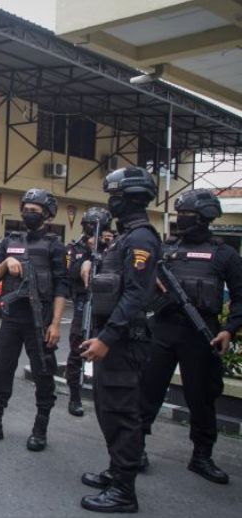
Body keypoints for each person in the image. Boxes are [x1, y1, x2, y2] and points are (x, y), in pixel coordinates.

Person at [140, 189, 242, 485]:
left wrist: (228, 329)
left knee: (202, 397)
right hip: (162, 329)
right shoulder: (165, 249)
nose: (182, 220)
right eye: (180, 215)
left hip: (201, 333)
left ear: (205, 219)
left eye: (188, 216)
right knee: (147, 391)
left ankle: (201, 456)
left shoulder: (225, 254)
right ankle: (136, 448)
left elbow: (239, 297)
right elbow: (141, 282)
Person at [79, 167, 161, 513]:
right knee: (108, 410)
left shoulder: (141, 238)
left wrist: (107, 339)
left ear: (128, 198)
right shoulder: (127, 237)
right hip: (115, 339)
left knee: (122, 413)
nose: (110, 202)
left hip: (124, 342)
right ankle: (115, 472)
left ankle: (124, 492)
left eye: (114, 196)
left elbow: (135, 296)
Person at [0, 189, 68, 452]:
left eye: (35, 210)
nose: (29, 213)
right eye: (26, 208)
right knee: (2, 369)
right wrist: (7, 262)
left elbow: (62, 287)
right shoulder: (9, 241)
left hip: (41, 321)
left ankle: (40, 430)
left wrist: (56, 324)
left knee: (43, 373)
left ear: (47, 215)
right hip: (12, 319)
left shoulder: (54, 245)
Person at [65, 207, 111, 417]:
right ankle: (74, 396)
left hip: (107, 307)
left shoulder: (114, 248)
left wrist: (101, 253)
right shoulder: (75, 248)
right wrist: (86, 259)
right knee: (77, 350)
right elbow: (69, 274)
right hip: (83, 304)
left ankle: (105, 398)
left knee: (108, 351)